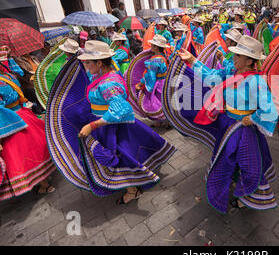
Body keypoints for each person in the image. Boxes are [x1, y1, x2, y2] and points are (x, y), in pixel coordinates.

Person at [47, 40, 176, 204]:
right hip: (105, 123)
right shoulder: (101, 75)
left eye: (88, 62)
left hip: (110, 127)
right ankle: (133, 184)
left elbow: (122, 109)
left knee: (119, 157)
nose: (85, 65)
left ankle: (132, 189)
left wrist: (92, 125)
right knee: (125, 154)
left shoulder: (109, 83)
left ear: (99, 62)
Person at [176, 35, 278, 213]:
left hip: (243, 129)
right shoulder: (231, 71)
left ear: (248, 61)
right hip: (226, 124)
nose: (233, 58)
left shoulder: (256, 82)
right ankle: (232, 182)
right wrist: (192, 60)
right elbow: (211, 77)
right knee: (228, 156)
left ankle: (247, 195)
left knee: (247, 163)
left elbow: (270, 110)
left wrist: (252, 118)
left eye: (237, 56)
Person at [0, 63, 56, 201]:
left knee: (23, 154)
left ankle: (44, 184)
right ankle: (46, 178)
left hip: (12, 121)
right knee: (35, 147)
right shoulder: (8, 76)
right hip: (24, 113)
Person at [133, 35, 169, 124]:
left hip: (157, 84)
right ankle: (167, 121)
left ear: (156, 47)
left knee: (155, 103)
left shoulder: (155, 60)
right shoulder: (163, 56)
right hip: (164, 82)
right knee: (163, 101)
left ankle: (159, 121)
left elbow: (150, 76)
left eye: (152, 45)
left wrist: (141, 84)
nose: (151, 47)